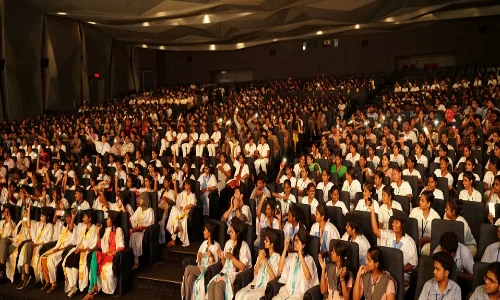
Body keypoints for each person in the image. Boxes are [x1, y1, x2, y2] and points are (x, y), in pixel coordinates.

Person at [370, 207, 417, 290]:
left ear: (402, 225)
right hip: (386, 272)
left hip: (402, 274)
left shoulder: (410, 242)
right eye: (393, 222)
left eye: (396, 222)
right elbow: (376, 231)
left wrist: (397, 268)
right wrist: (372, 212)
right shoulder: (389, 234)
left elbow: (411, 265)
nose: (393, 224)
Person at [206, 217, 252, 300]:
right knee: (211, 286)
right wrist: (222, 258)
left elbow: (243, 267)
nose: (229, 233)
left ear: (237, 233)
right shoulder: (228, 243)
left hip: (234, 274)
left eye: (232, 232)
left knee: (218, 287)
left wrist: (232, 257)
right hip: (224, 272)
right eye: (229, 231)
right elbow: (225, 264)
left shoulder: (244, 246)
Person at [83, 210, 125, 300]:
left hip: (114, 256)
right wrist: (97, 232)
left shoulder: (119, 230)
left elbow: (121, 247)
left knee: (95, 257)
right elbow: (100, 245)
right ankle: (94, 286)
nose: (106, 221)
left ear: (112, 221)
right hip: (106, 254)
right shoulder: (107, 230)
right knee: (95, 254)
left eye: (108, 219)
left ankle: (91, 290)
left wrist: (113, 253)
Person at [273, 227, 319, 299]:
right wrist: (285, 248)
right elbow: (280, 268)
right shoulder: (292, 256)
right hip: (287, 290)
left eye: (297, 241)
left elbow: (308, 276)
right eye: (294, 241)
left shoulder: (309, 259)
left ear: (303, 245)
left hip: (299, 293)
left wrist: (300, 255)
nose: (294, 243)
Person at [235, 228, 281, 300]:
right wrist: (259, 259)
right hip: (256, 282)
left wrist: (265, 261)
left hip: (265, 286)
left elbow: (273, 277)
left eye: (267, 240)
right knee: (239, 294)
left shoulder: (277, 257)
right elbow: (255, 271)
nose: (264, 241)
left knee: (247, 297)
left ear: (272, 244)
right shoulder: (263, 253)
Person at [62, 209, 98, 298]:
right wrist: (73, 217)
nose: (83, 218)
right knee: (68, 261)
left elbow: (93, 245)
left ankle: (75, 287)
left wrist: (81, 250)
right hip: (79, 249)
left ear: (89, 218)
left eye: (85, 217)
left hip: (85, 251)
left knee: (74, 261)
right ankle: (72, 286)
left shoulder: (94, 229)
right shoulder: (82, 227)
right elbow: (71, 228)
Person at [17, 206, 55, 289]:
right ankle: (26, 274)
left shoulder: (50, 226)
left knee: (28, 247)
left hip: (41, 246)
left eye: (42, 216)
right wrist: (29, 211)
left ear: (47, 217)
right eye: (40, 215)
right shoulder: (39, 225)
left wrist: (37, 245)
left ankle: (27, 276)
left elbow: (48, 240)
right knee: (25, 246)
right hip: (35, 244)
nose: (40, 217)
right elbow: (29, 225)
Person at [182, 222, 221, 300]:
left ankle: (184, 293)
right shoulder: (204, 244)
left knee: (187, 268)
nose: (203, 232)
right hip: (200, 268)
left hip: (207, 270)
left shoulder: (216, 246)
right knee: (190, 278)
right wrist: (199, 257)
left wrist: (212, 256)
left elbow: (216, 266)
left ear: (209, 233)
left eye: (205, 230)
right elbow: (198, 262)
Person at [40, 209, 74, 293]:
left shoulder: (74, 229)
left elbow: (72, 243)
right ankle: (47, 281)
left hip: (64, 250)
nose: (66, 219)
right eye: (65, 217)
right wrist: (55, 248)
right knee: (43, 257)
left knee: (50, 259)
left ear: (71, 217)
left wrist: (60, 249)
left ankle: (53, 284)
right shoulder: (63, 228)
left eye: (68, 217)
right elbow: (58, 240)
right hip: (57, 248)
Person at [4, 206, 34, 283]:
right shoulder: (20, 222)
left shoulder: (32, 223)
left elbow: (31, 235)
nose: (24, 214)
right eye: (23, 212)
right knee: (4, 249)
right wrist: (10, 221)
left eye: (25, 212)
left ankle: (23, 277)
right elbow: (14, 233)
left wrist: (26, 226)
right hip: (17, 240)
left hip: (24, 242)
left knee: (11, 253)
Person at [409, 191, 441, 255]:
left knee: (426, 250)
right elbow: (409, 228)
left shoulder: (436, 217)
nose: (420, 202)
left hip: (429, 243)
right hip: (414, 240)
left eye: (422, 201)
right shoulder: (414, 211)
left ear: (428, 204)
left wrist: (428, 240)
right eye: (420, 200)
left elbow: (438, 237)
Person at [167, 179, 196, 247]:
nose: (184, 186)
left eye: (186, 185)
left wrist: (184, 207)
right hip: (181, 212)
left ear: (189, 186)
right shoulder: (183, 193)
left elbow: (193, 204)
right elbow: (177, 195)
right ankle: (177, 228)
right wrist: (174, 185)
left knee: (177, 220)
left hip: (186, 214)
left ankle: (173, 240)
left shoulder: (193, 195)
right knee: (174, 208)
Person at [130, 192, 155, 270]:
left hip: (144, 232)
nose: (139, 200)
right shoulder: (139, 209)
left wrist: (138, 228)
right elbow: (132, 218)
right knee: (131, 235)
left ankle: (136, 261)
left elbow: (150, 224)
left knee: (134, 236)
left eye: (141, 199)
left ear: (145, 200)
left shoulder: (150, 210)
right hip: (136, 230)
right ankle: (132, 259)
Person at [0, 204, 16, 280]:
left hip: (9, 240)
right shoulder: (1, 222)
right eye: (5, 212)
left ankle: (2, 262)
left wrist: (9, 221)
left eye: (7, 212)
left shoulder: (12, 223)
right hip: (2, 241)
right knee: (2, 246)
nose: (6, 213)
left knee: (3, 241)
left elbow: (14, 234)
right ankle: (1, 273)